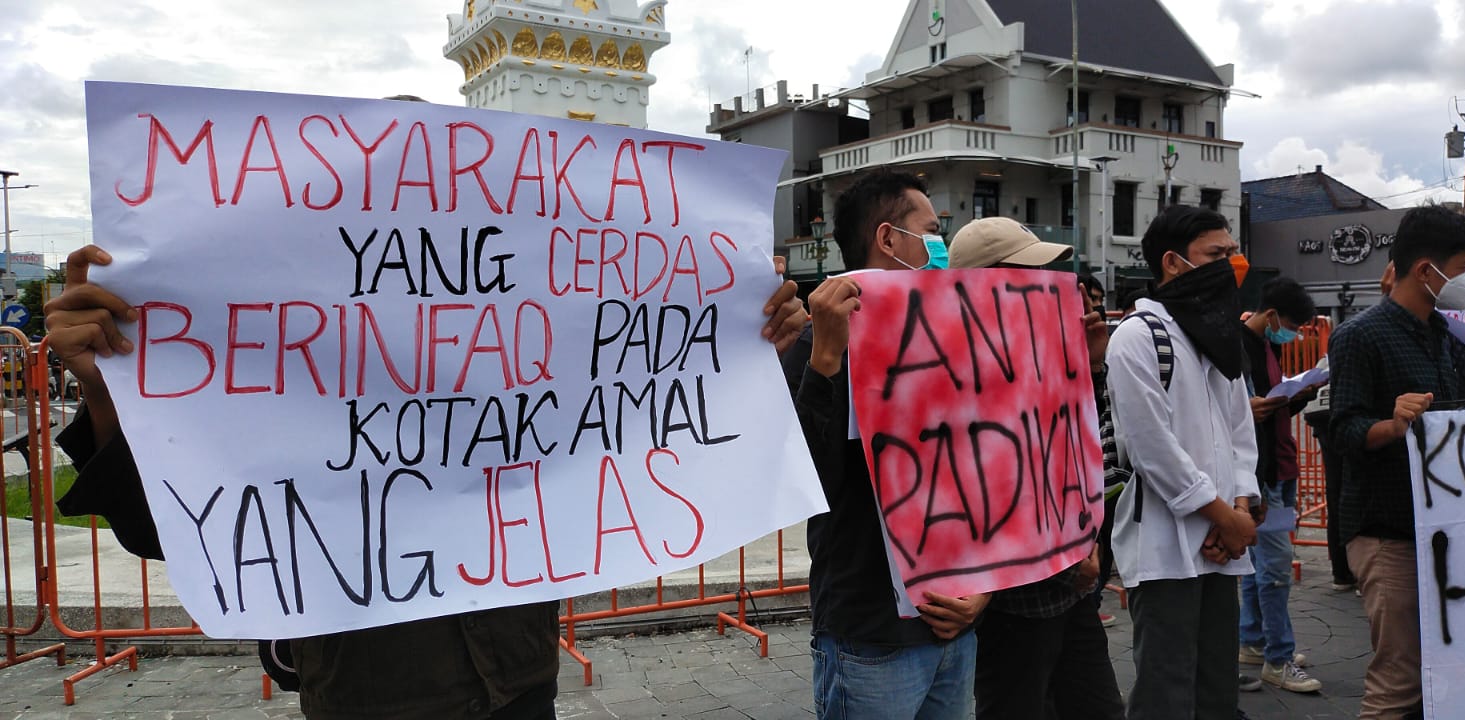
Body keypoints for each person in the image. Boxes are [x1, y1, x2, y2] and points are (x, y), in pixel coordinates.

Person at [45, 245, 809, 720]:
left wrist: (745, 346)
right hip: (373, 697)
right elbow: (160, 531)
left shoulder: (523, 366)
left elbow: (649, 430)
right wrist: (110, 392)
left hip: (518, 681)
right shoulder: (284, 383)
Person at [781, 169, 987, 720]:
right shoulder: (820, 340)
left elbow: (986, 471)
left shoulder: (954, 336)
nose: (942, 242)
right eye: (932, 229)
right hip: (870, 633)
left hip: (953, 624)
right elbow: (805, 480)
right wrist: (825, 358)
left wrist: (982, 591)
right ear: (890, 239)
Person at [1327, 205, 1465, 720]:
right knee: (1398, 679)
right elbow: (1343, 431)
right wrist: (1392, 425)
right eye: (1464, 266)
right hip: (1388, 532)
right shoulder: (1360, 336)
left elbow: (1459, 408)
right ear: (1427, 271)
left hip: (1443, 530)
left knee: (1443, 672)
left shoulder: (1442, 334)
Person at [947, 218, 1123, 720]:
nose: (1048, 283)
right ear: (986, 282)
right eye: (1031, 272)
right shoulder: (950, 370)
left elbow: (1079, 456)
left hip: (1069, 588)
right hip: (1009, 606)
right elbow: (972, 490)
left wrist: (1089, 369)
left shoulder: (1050, 352)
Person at [1106, 204, 1260, 720]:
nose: (1231, 264)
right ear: (1173, 262)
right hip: (1165, 544)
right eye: (1217, 255)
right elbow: (1153, 451)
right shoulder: (1137, 336)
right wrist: (1226, 517)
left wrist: (1239, 505)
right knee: (1166, 689)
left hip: (1221, 543)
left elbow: (1240, 432)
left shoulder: (1217, 333)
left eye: (1233, 253)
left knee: (1217, 686)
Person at [1237, 278, 1322, 694]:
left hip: (1281, 465)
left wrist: (1302, 391)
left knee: (1259, 567)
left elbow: (1271, 403)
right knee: (1275, 569)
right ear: (1271, 316)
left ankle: (1253, 639)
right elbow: (1242, 413)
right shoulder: (1238, 347)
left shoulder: (1269, 345)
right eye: (1290, 325)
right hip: (1261, 473)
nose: (1291, 334)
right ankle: (1279, 658)